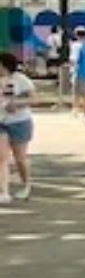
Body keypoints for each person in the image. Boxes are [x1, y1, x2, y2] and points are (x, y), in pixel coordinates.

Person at [0, 52, 35, 203]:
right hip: (1, 122)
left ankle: (26, 185)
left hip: (19, 122)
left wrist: (17, 103)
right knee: (1, 157)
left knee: (19, 158)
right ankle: (4, 191)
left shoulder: (20, 79)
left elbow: (34, 98)